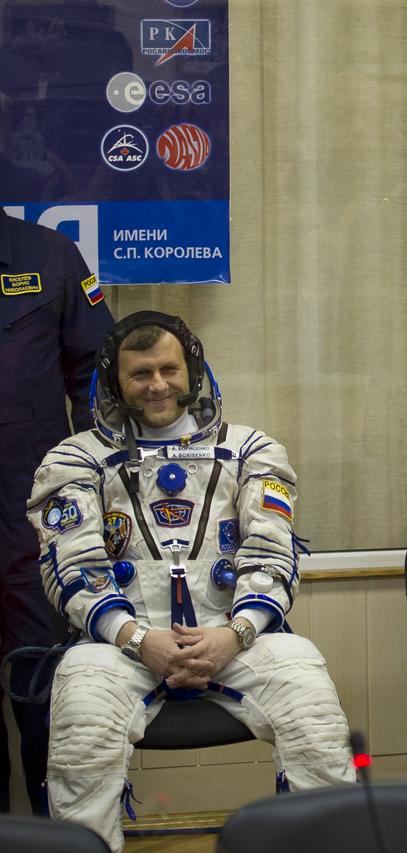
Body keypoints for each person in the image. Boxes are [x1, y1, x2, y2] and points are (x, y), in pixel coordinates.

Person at [27, 312, 355, 851]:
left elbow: (271, 555)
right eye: (140, 374)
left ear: (193, 372)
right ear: (115, 383)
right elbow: (75, 571)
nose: (157, 385)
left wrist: (236, 633)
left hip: (235, 637)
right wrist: (138, 639)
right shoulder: (76, 459)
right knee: (81, 731)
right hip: (120, 646)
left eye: (168, 369)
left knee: (312, 705)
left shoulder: (251, 451)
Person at [0, 209, 113, 813]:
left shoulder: (51, 256)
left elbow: (98, 375)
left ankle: (56, 833)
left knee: (45, 688)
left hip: (34, 522)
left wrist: (96, 486)